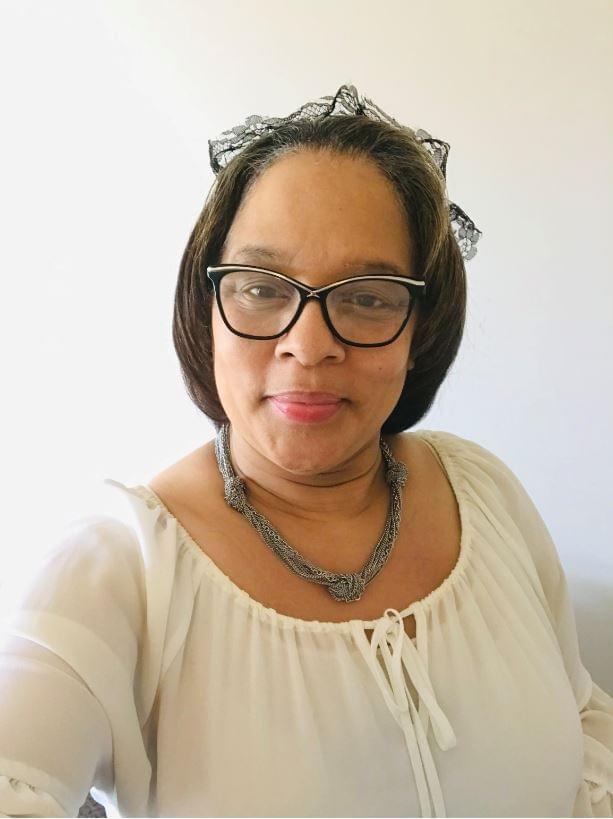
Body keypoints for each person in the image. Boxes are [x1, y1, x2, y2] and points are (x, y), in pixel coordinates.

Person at [0, 85, 611, 818]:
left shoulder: (485, 493)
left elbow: (582, 720)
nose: (308, 344)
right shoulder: (121, 568)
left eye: (368, 296)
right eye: (262, 288)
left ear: (420, 328)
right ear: (207, 307)